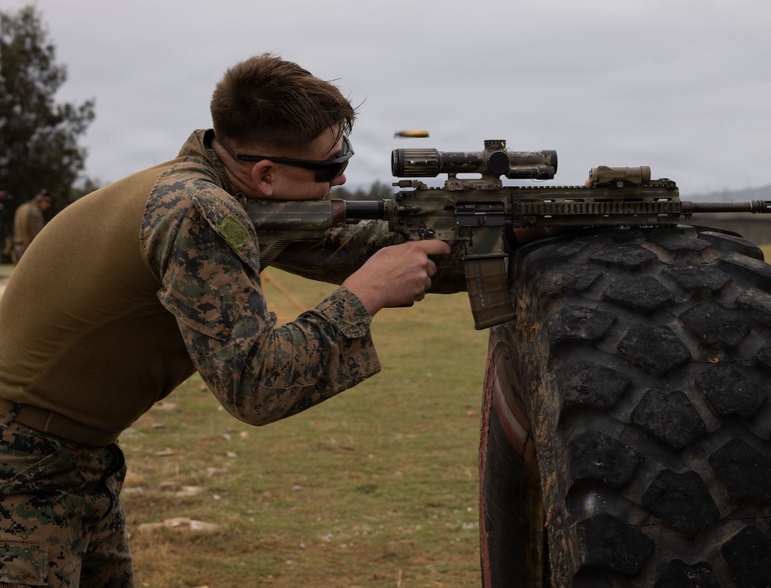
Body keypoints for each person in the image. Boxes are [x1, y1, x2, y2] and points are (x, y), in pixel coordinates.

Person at [0, 54, 458, 587]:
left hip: (66, 460)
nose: (344, 176)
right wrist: (367, 293)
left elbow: (354, 244)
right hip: (23, 465)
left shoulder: (220, 191)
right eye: (331, 167)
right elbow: (255, 383)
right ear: (264, 174)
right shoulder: (197, 211)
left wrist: (509, 233)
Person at [10, 189, 53, 263]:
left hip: (17, 249)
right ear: (40, 200)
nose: (47, 205)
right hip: (28, 251)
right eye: (46, 202)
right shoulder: (34, 211)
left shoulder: (21, 208)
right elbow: (38, 234)